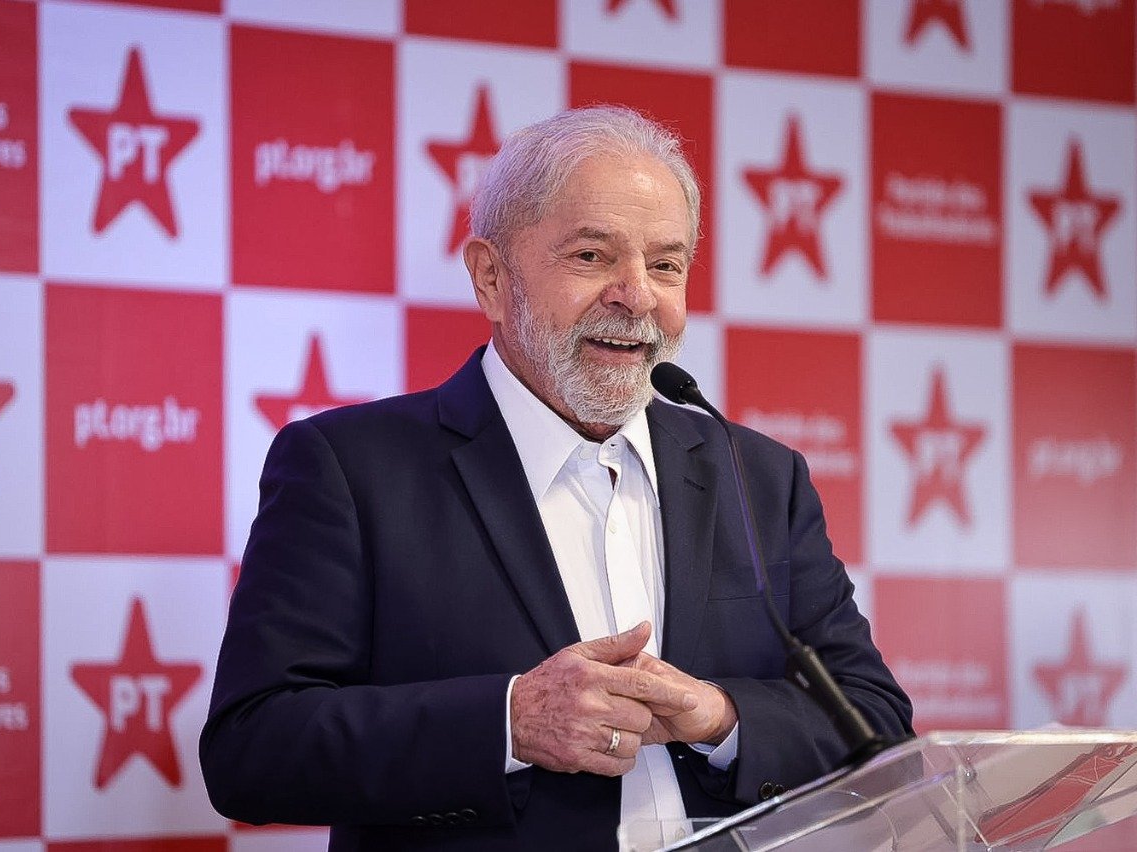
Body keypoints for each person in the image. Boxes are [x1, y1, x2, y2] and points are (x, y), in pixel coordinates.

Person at [200, 105, 912, 851]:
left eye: (666, 264)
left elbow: (877, 722)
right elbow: (252, 748)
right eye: (592, 257)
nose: (637, 296)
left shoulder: (759, 475)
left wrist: (722, 719)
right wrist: (509, 722)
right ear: (491, 279)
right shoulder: (349, 467)